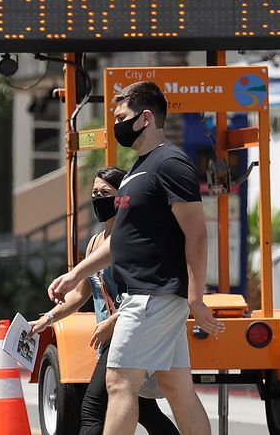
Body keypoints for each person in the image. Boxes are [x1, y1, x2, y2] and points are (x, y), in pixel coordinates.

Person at [47, 81, 225, 435]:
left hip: (152, 296)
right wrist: (74, 275)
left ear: (145, 118)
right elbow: (120, 242)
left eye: (121, 116)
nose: (116, 124)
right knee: (177, 389)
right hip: (148, 297)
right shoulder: (137, 171)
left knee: (119, 383)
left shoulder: (171, 163)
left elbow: (197, 233)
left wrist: (195, 297)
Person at [29, 167, 179, 435]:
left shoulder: (134, 239)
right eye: (95, 192)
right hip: (112, 337)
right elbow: (80, 294)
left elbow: (145, 291)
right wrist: (47, 319)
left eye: (106, 193)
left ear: (123, 197)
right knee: (145, 409)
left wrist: (113, 321)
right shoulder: (96, 242)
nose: (99, 198)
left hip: (130, 330)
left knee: (92, 408)